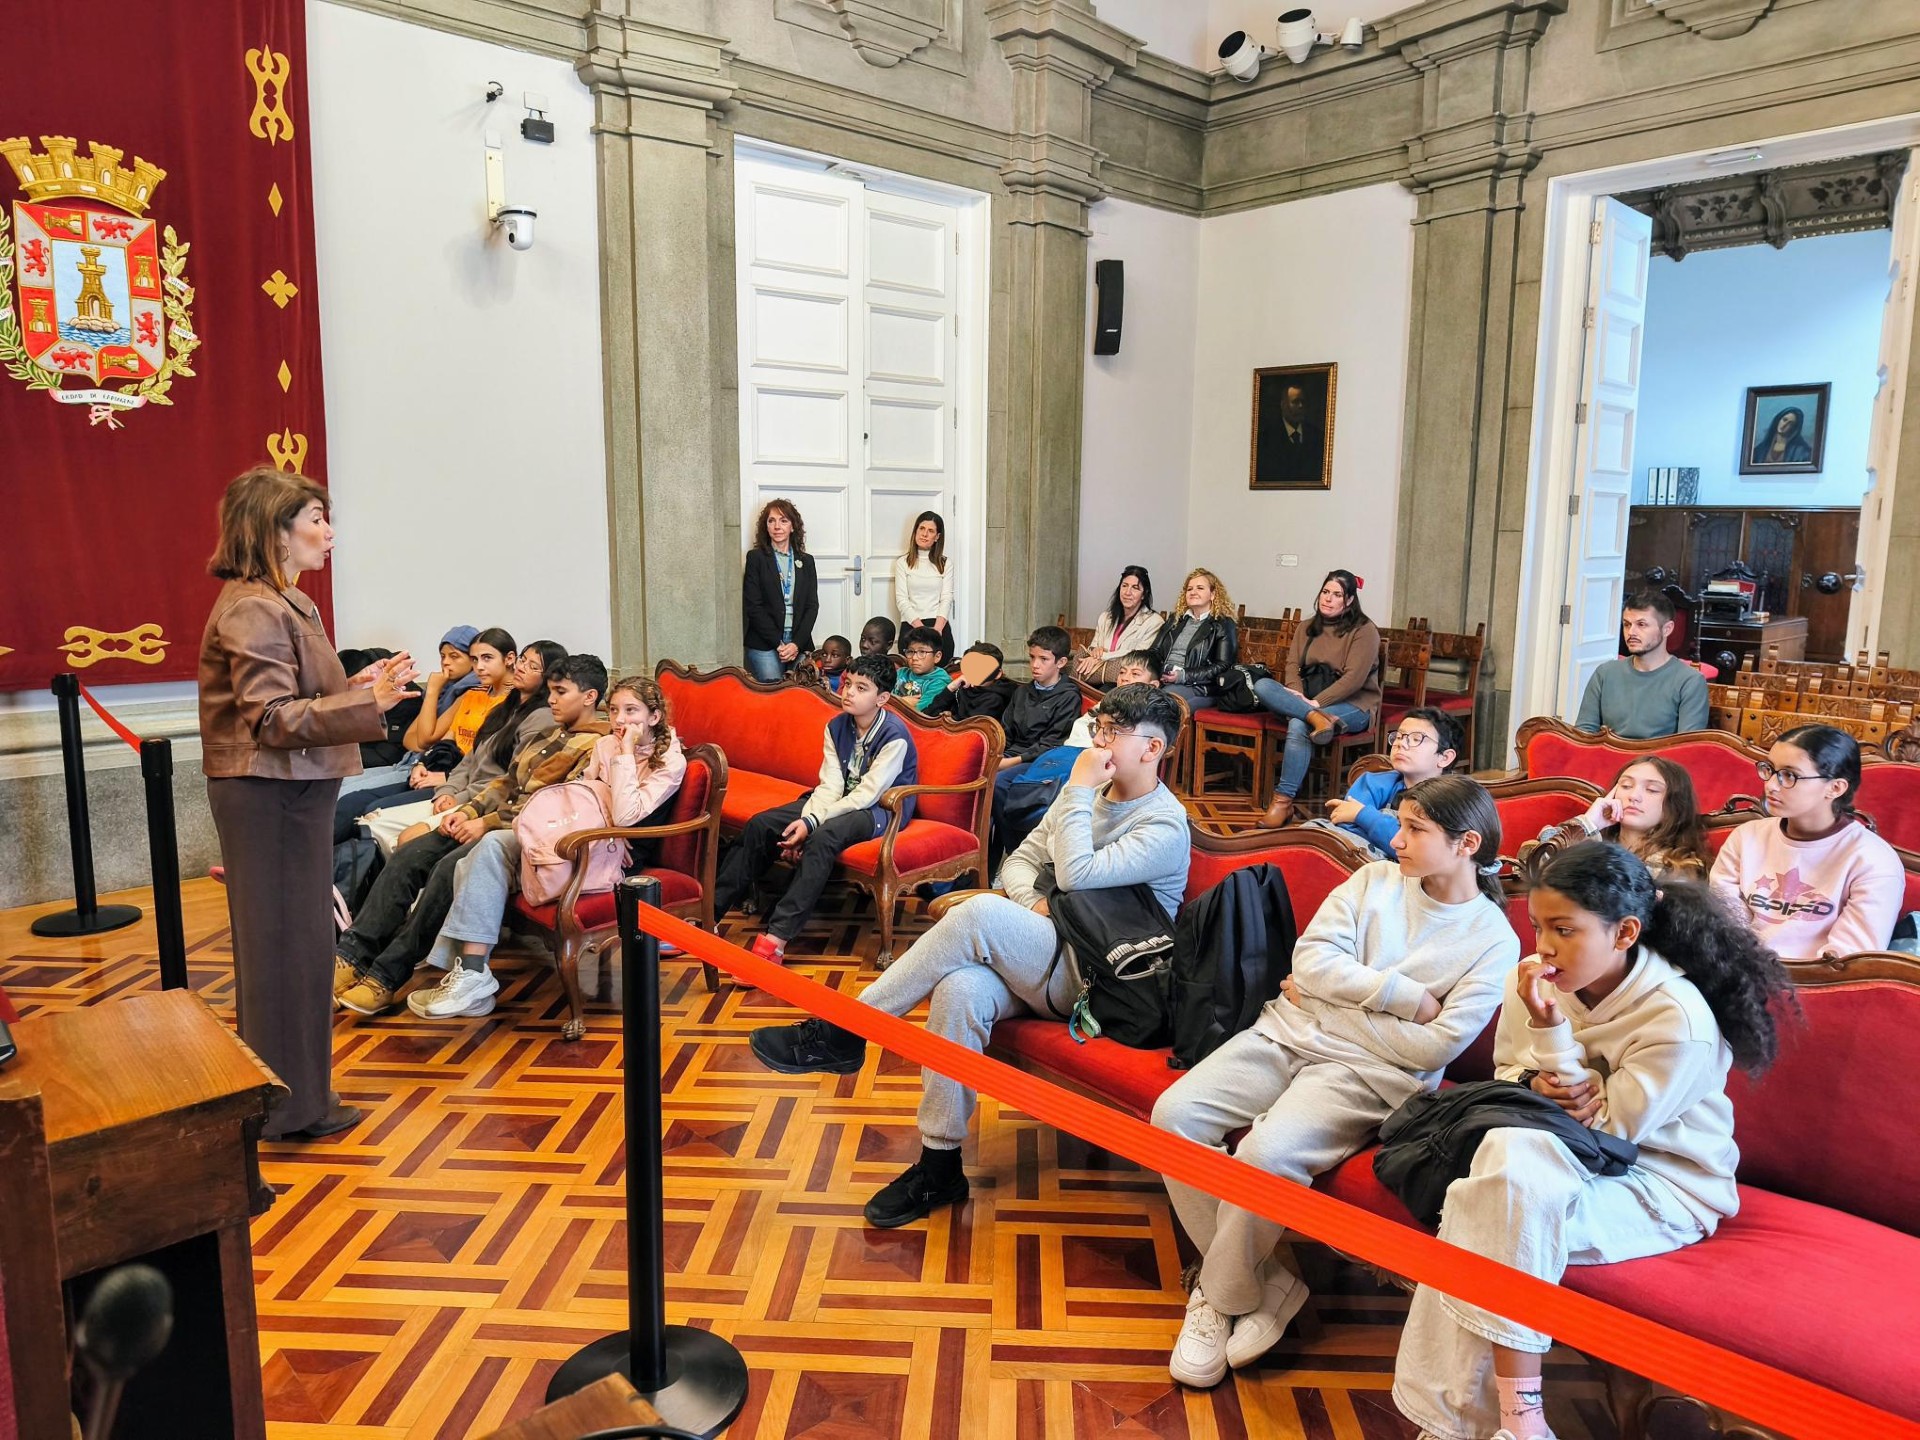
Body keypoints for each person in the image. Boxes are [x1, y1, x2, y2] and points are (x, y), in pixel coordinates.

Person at [1392, 841, 1793, 1440]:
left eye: (1565, 930)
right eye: (1536, 927)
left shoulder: (1677, 1018)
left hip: (1662, 1183)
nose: (1544, 947)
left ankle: (1473, 1423)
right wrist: (1537, 1079)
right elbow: (1509, 1074)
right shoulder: (1532, 981)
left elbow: (1607, 1133)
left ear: (1625, 932)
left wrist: (1552, 1037)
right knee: (1509, 1167)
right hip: (1554, 1158)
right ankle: (1518, 1421)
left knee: (1490, 1209)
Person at [748, 685, 1190, 1228]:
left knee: (978, 912)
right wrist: (1037, 906)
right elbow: (1018, 862)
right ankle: (940, 1165)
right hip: (1044, 950)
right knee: (960, 990)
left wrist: (1075, 793)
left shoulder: (1162, 824)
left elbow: (1076, 875)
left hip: (1098, 981)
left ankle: (846, 1028)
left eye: (1112, 733)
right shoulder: (1088, 795)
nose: (1097, 743)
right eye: (1098, 728)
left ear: (1151, 748)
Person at [1153, 777, 1517, 1387]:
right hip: (1285, 1032)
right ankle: (1259, 1285)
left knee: (1267, 1154)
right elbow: (1310, 963)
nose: (1395, 840)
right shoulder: (1373, 880)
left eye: (1415, 829)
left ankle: (1217, 1297)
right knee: (1173, 1117)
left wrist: (1326, 1002)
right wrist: (1404, 998)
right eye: (1400, 824)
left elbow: (1437, 1046)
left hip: (1371, 1074)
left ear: (1467, 844)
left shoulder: (1494, 940)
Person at [198, 466, 417, 1140]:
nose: (329, 533)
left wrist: (356, 686)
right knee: (281, 952)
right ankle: (286, 1109)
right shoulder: (254, 608)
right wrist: (366, 703)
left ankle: (301, 1099)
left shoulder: (286, 600)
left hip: (291, 793)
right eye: (316, 520)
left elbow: (297, 697)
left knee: (300, 948)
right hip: (270, 797)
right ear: (275, 531)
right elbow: (270, 719)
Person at [399, 675, 687, 1020]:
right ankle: (473, 974)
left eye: (631, 711)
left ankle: (468, 974)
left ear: (654, 716)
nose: (620, 720)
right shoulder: (604, 745)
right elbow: (585, 795)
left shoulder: (670, 761)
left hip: (620, 852)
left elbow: (626, 816)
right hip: (583, 834)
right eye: (614, 710)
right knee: (489, 846)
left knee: (478, 863)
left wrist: (625, 753)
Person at [334, 648, 603, 1011]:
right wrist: (468, 811)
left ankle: (385, 977)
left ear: (589, 697)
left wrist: (484, 823)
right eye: (551, 691)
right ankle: (351, 955)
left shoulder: (596, 746)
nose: (551, 699)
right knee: (412, 854)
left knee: (447, 869)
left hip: (527, 838)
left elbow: (554, 810)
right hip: (488, 820)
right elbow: (505, 783)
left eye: (560, 692)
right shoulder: (549, 734)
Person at [710, 653, 918, 964]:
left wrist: (811, 825)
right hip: (835, 801)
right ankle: (710, 914)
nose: (848, 692)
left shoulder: (894, 736)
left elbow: (866, 795)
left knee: (823, 838)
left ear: (882, 698)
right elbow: (830, 785)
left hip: (879, 811)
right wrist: (809, 818)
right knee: (761, 825)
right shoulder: (836, 726)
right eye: (848, 683)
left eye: (861, 688)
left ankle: (776, 937)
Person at [1709, 724, 1904, 959]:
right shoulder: (1746, 837)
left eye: (1789, 775)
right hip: (1736, 969)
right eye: (1769, 769)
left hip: (1816, 979)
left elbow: (1848, 960)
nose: (1771, 785)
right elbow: (1724, 926)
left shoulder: (1873, 860)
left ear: (1835, 788)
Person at [990, 652, 1162, 857]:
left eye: (1135, 674)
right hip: (1064, 754)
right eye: (1122, 672)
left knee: (1047, 795)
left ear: (1153, 684)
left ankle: (1044, 854)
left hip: (1091, 762)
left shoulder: (1150, 718)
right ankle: (1017, 852)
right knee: (1002, 784)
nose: (1125, 678)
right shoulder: (1106, 703)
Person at [1253, 569, 1381, 830]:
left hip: (1354, 704)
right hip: (1308, 700)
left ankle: (1283, 801)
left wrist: (1317, 703)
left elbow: (1354, 679)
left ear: (1349, 600)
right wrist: (1301, 698)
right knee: (1263, 685)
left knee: (1298, 723)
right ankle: (1314, 718)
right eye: (1325, 592)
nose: (1328, 599)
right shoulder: (1306, 627)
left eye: (1337, 594)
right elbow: (1292, 666)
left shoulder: (1365, 630)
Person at [1309, 706, 1462, 858]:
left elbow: (1424, 851)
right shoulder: (1372, 781)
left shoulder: (1452, 801)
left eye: (1416, 739)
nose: (1400, 744)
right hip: (1352, 856)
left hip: (1402, 869)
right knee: (1312, 833)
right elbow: (1344, 822)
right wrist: (1390, 835)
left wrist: (1364, 815)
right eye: (1399, 736)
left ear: (1445, 757)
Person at [989, 626, 1084, 865]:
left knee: (998, 783)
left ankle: (1016, 854)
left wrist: (1008, 762)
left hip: (1042, 761)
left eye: (1043, 659)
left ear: (1061, 662)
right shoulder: (1022, 692)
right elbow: (1005, 730)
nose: (1035, 665)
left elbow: (1051, 743)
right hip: (1011, 754)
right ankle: (984, 860)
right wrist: (995, 755)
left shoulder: (1068, 696)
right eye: (1032, 657)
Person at [1531, 756, 1710, 882]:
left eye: (1652, 790)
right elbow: (1532, 871)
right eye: (1626, 786)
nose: (1634, 796)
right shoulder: (1590, 843)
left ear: (1675, 805)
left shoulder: (1679, 866)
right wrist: (1589, 822)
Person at [1574, 591, 1709, 739]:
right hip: (1608, 753)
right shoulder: (1605, 673)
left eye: (1641, 624)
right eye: (1627, 624)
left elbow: (1687, 746)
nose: (1631, 632)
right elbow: (1584, 734)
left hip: (1661, 755)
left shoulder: (1690, 681)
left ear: (1667, 629)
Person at [400, 627, 517, 780]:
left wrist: (432, 691)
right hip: (436, 765)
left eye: (487, 658)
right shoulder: (472, 693)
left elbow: (424, 741)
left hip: (467, 779)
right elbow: (439, 740)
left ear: (509, 659)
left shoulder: (518, 701)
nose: (479, 667)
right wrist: (422, 763)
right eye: (475, 659)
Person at [743, 498, 819, 682]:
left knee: (802, 689)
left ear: (792, 526)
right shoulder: (756, 558)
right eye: (772, 521)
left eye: (783, 520)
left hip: (799, 642)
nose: (777, 526)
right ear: (766, 526)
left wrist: (796, 644)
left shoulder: (806, 561)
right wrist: (779, 645)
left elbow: (812, 606)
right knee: (774, 690)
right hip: (765, 643)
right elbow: (753, 606)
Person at [1147, 568, 1239, 715]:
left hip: (1199, 686)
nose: (1193, 592)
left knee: (1158, 703)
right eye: (1189, 589)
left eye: (1200, 588)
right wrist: (1154, 671)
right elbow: (1154, 651)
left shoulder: (1223, 624)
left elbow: (1223, 666)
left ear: (1213, 594)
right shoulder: (1175, 619)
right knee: (1128, 694)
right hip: (1163, 677)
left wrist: (1183, 675)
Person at [1073, 566, 1164, 686]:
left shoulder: (1154, 621)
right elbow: (1094, 646)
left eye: (1135, 588)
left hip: (1126, 679)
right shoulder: (1106, 617)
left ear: (1144, 594)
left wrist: (1103, 656)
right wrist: (1096, 651)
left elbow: (1137, 655)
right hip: (1096, 674)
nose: (1127, 592)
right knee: (1073, 686)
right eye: (1124, 586)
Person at [894, 511, 956, 665]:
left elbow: (946, 598)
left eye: (931, 531)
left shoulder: (945, 563)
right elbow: (902, 600)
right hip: (912, 625)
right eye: (921, 529)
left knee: (940, 673)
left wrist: (937, 630)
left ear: (937, 536)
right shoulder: (902, 563)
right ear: (915, 531)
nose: (924, 534)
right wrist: (922, 631)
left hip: (938, 626)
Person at [1254, 379, 1326, 486]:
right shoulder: (1265, 439)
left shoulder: (1317, 436)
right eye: (1295, 402)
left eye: (1303, 402)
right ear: (1283, 405)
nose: (1301, 406)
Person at [924, 641, 1016, 723]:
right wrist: (950, 688)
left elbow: (972, 728)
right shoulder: (964, 687)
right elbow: (928, 715)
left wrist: (952, 718)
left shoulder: (995, 698)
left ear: (997, 674)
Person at [894, 626, 952, 712]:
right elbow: (880, 699)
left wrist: (894, 701)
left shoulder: (939, 682)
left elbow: (919, 712)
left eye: (922, 652)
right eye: (910, 651)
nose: (914, 658)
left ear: (937, 657)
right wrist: (903, 701)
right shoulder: (901, 673)